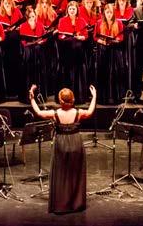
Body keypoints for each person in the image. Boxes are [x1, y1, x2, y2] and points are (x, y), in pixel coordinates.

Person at [28, 84, 97, 214]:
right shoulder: (79, 113)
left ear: (60, 101)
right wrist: (94, 97)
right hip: (76, 143)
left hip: (61, 144)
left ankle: (61, 204)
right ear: (73, 100)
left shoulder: (55, 114)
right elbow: (90, 111)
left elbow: (38, 112)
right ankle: (76, 204)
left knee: (61, 174)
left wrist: (32, 98)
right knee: (76, 174)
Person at [56, 1, 88, 102]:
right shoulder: (62, 20)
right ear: (67, 10)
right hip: (66, 49)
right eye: (70, 9)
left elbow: (86, 35)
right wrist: (65, 36)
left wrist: (81, 37)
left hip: (78, 50)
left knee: (76, 43)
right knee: (71, 42)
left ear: (77, 10)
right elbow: (60, 35)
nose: (72, 10)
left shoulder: (82, 20)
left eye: (74, 9)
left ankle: (79, 96)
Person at [94, 4, 126, 104]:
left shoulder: (119, 23)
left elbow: (121, 36)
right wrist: (100, 41)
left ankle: (115, 97)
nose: (108, 14)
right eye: (107, 12)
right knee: (103, 73)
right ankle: (103, 98)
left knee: (115, 73)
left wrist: (116, 40)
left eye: (110, 12)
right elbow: (95, 36)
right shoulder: (99, 22)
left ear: (113, 13)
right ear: (104, 13)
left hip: (114, 51)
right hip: (103, 50)